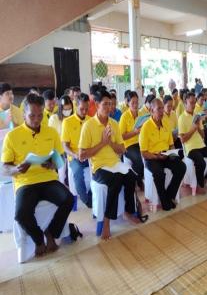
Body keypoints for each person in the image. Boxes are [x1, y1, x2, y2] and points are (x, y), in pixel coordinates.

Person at [1, 93, 74, 257]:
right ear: (24, 113)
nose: (36, 119)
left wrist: (53, 163)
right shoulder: (12, 136)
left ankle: (52, 233)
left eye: (40, 115)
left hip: (48, 178)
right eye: (32, 115)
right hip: (25, 182)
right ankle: (38, 238)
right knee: (20, 214)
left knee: (68, 199)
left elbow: (60, 157)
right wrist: (16, 170)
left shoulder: (51, 132)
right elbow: (4, 168)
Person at [79, 90, 141, 239]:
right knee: (115, 180)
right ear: (96, 105)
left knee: (131, 176)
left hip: (114, 163)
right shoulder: (88, 126)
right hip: (99, 167)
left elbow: (122, 149)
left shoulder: (114, 124)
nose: (109, 107)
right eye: (105, 104)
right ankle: (106, 221)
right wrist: (102, 143)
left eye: (110, 104)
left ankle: (128, 210)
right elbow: (82, 155)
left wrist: (110, 143)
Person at [139, 99, 186, 211]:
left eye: (162, 108)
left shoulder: (166, 123)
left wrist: (171, 153)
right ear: (151, 111)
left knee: (181, 167)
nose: (161, 111)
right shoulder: (146, 127)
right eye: (158, 109)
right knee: (159, 173)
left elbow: (171, 145)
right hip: (152, 157)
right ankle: (165, 202)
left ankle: (168, 196)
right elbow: (144, 153)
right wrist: (156, 156)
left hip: (166, 154)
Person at [178, 92, 207, 190]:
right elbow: (183, 139)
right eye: (191, 103)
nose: (194, 105)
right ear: (185, 103)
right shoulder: (181, 118)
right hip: (190, 148)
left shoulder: (197, 116)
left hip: (201, 145)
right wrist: (193, 129)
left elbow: (202, 135)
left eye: (194, 102)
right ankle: (199, 185)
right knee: (201, 162)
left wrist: (198, 126)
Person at [62, 93, 92, 208]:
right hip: (75, 156)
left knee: (101, 169)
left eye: (86, 108)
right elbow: (65, 146)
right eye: (81, 109)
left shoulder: (90, 120)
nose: (84, 111)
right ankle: (87, 200)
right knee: (78, 173)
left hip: (89, 153)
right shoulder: (67, 122)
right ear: (76, 106)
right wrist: (75, 155)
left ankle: (93, 195)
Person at [119, 91, 145, 190]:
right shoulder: (124, 116)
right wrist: (135, 132)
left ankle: (135, 177)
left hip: (141, 142)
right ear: (128, 103)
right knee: (140, 158)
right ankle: (136, 179)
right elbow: (122, 137)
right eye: (133, 102)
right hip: (129, 145)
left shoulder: (142, 114)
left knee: (150, 155)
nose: (135, 105)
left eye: (137, 102)